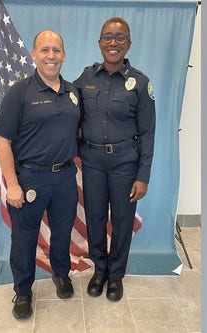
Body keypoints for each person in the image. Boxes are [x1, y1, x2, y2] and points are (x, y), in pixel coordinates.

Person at [0, 29, 80, 319]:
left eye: (56, 50)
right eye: (45, 50)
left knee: (63, 231)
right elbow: (2, 140)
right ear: (34, 54)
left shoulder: (73, 93)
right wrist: (13, 185)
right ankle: (23, 290)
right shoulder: (19, 92)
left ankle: (61, 274)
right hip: (30, 179)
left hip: (65, 176)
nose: (51, 56)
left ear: (64, 56)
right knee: (25, 238)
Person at [74, 17, 156, 302]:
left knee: (122, 222)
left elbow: (147, 133)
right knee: (95, 218)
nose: (113, 42)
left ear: (129, 43)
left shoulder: (141, 83)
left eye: (120, 37)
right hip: (93, 162)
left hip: (125, 164)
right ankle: (100, 270)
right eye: (107, 36)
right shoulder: (86, 78)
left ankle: (116, 276)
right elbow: (67, 106)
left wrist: (142, 176)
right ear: (99, 43)